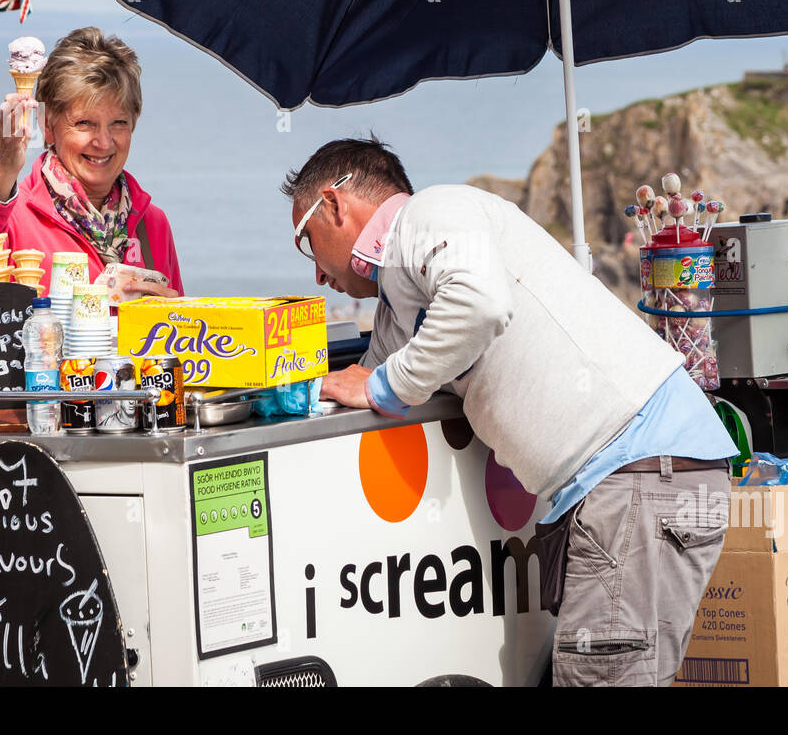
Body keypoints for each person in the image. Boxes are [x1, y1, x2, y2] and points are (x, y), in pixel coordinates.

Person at [283, 137, 738, 686]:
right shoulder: (401, 294)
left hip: (635, 469)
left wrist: (384, 386)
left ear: (334, 204)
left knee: (600, 675)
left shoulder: (429, 213)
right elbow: (378, 370)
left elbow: (478, 306)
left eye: (306, 241)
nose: (316, 275)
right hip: (645, 476)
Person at [0, 27, 183, 296]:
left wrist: (169, 316)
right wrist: (2, 172)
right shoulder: (13, 218)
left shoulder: (152, 224)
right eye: (84, 123)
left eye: (119, 123)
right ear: (47, 124)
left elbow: (181, 333)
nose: (103, 141)